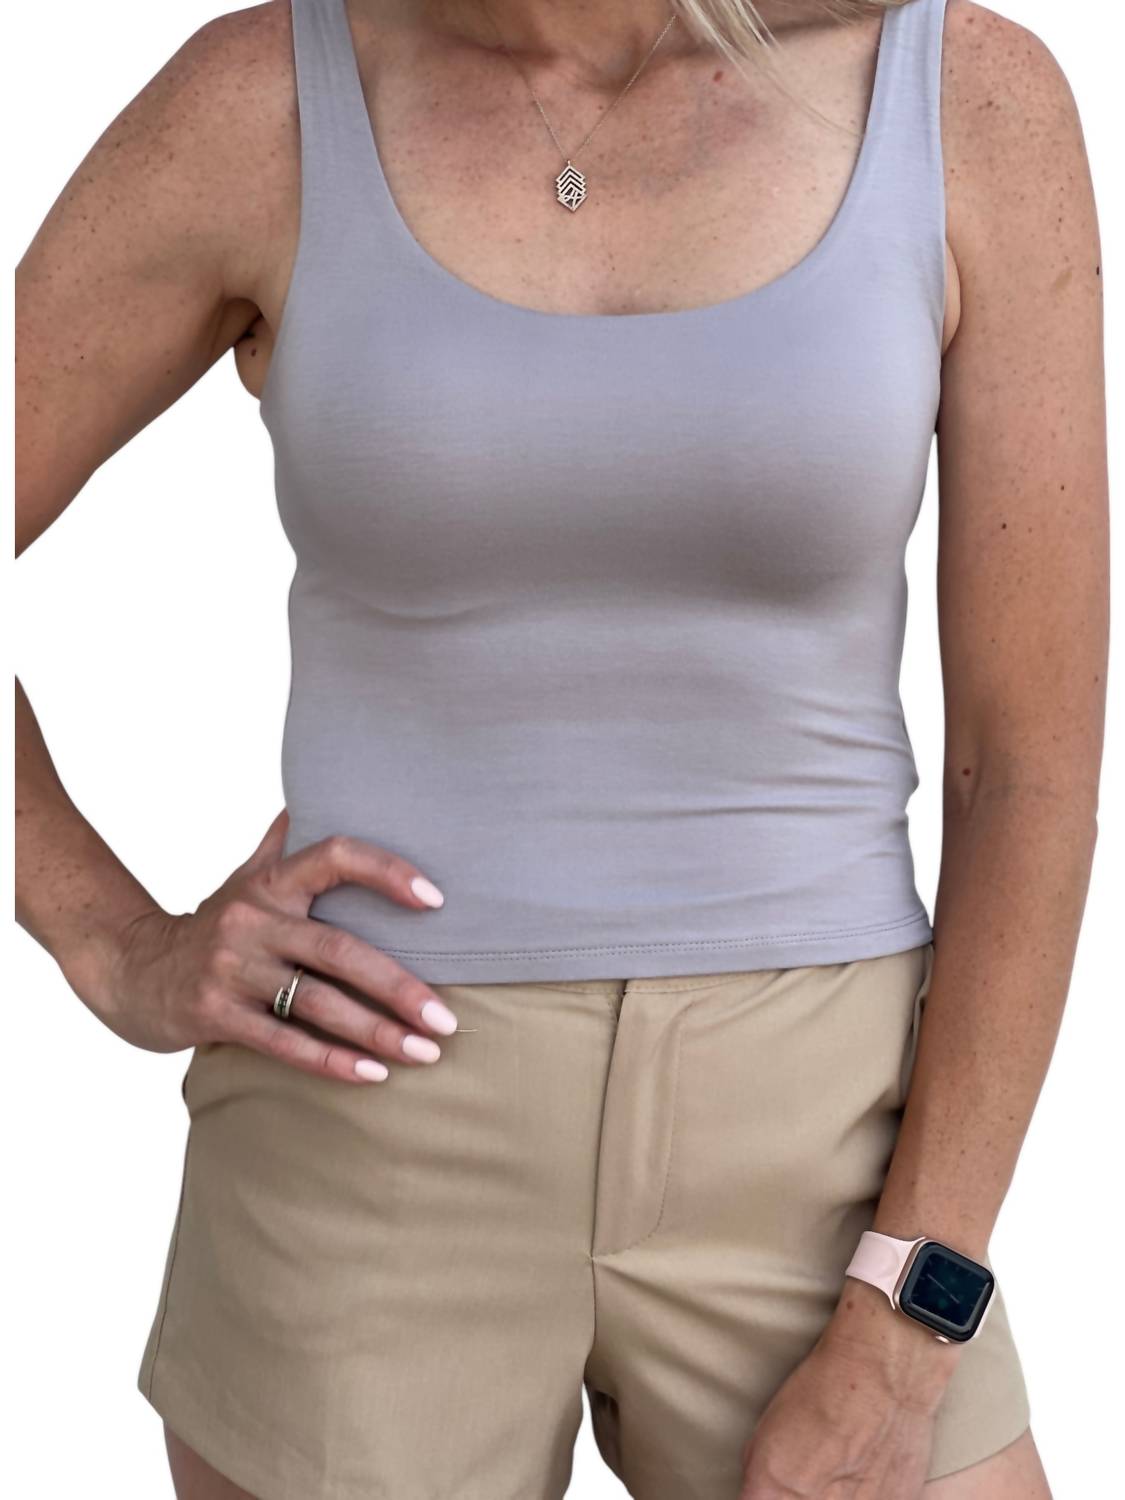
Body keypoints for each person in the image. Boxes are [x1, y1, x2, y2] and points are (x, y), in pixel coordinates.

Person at [14, 1, 1106, 1496]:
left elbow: (1022, 769)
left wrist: (914, 1313)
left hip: (833, 1153)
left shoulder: (961, 95)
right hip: (366, 1135)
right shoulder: (262, 101)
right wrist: (110, 939)